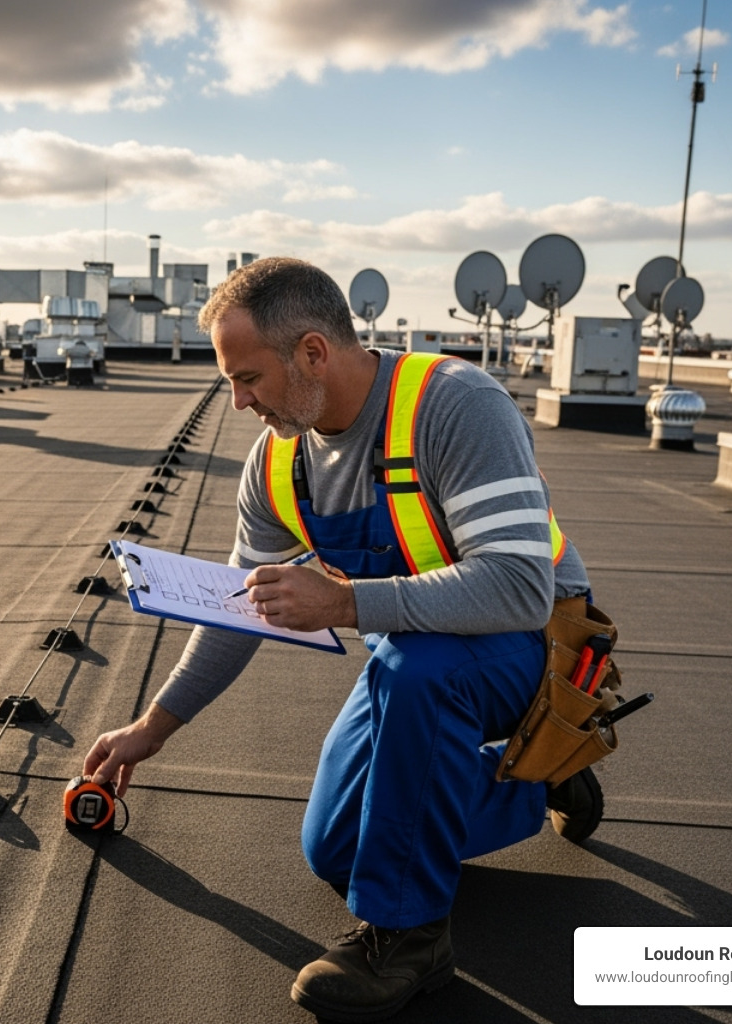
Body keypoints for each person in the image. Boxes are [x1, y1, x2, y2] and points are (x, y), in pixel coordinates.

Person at [82, 258, 603, 1023]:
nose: (239, 401)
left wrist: (350, 601)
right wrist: (151, 728)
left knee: (417, 668)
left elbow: (521, 588)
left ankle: (410, 938)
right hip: (420, 654)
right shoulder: (279, 462)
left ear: (314, 353)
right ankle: (534, 777)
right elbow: (241, 608)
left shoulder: (455, 406)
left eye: (249, 378)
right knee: (339, 851)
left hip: (534, 647)